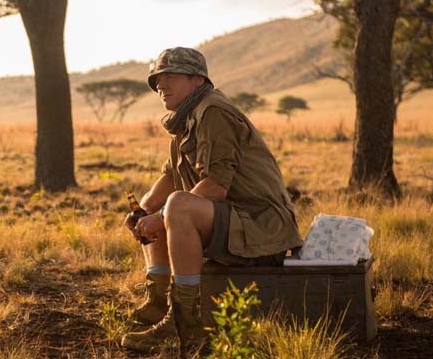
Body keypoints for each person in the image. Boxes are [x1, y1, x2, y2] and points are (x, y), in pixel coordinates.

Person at [120, 48, 303, 353]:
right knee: (163, 207)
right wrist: (144, 210)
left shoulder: (212, 111)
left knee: (177, 207)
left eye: (170, 77)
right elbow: (169, 177)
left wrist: (162, 214)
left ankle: (184, 325)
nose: (160, 85)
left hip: (261, 228)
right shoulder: (186, 118)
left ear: (197, 79)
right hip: (234, 221)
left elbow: (216, 187)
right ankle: (158, 302)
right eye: (157, 80)